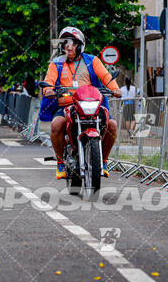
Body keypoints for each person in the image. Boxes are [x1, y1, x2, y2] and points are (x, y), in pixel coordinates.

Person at [43, 26, 121, 179]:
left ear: (80, 45)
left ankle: (103, 161)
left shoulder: (93, 61)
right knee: (56, 124)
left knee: (112, 125)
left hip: (92, 105)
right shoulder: (56, 63)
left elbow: (107, 78)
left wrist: (115, 89)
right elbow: (48, 82)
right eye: (65, 43)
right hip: (68, 106)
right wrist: (49, 90)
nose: (68, 46)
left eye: (72, 43)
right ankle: (60, 162)